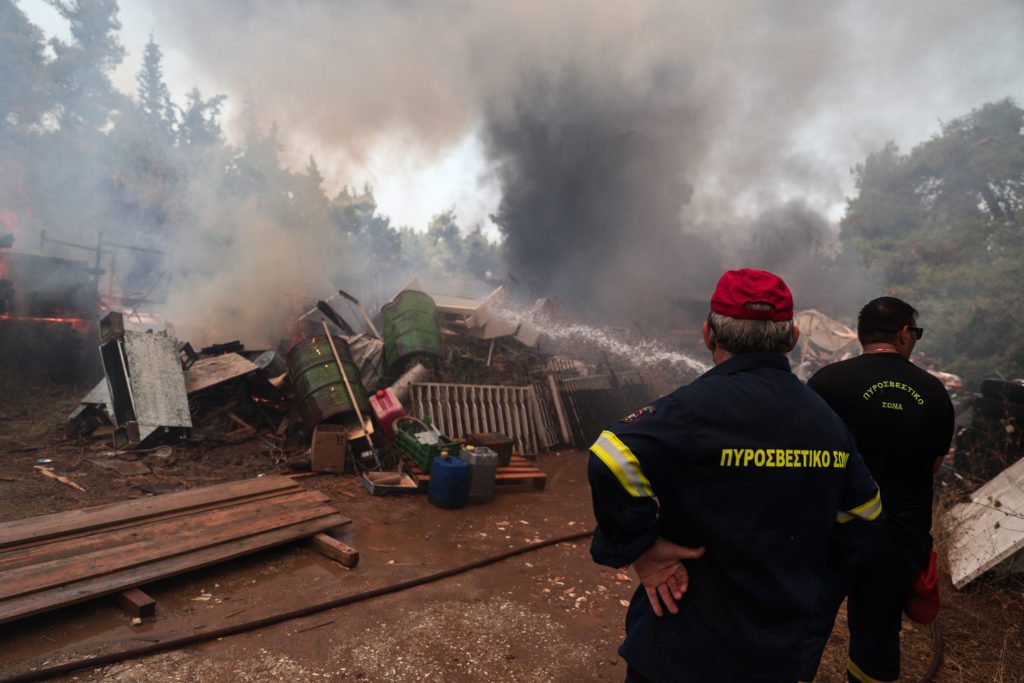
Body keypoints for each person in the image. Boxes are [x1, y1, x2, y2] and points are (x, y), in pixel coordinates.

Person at [588, 268, 882, 683]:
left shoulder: (688, 411)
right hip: (776, 654)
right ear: (793, 337)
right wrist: (816, 587)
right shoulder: (827, 423)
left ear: (708, 334)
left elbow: (611, 457)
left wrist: (644, 547)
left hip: (681, 643)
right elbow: (866, 510)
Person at [799, 297, 955, 683]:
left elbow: (804, 455)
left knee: (802, 627)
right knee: (877, 637)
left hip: (828, 531)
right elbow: (934, 464)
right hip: (897, 536)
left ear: (859, 334)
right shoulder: (934, 393)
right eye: (914, 332)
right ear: (904, 333)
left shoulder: (827, 382)